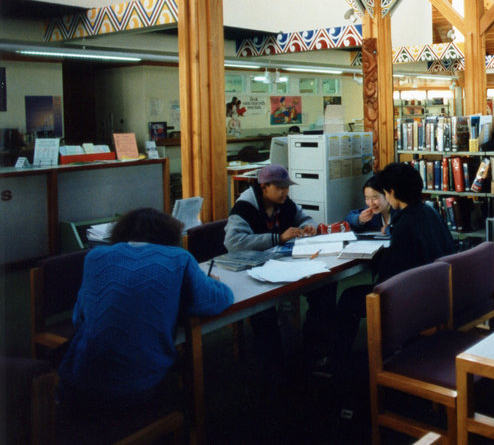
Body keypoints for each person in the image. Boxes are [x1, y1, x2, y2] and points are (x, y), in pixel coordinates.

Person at [58, 208, 233, 412]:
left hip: (76, 381)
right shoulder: (178, 258)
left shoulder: (95, 257)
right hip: (135, 390)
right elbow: (216, 300)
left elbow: (79, 318)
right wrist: (215, 283)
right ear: (170, 233)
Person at [324, 162, 455, 374]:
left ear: (392, 192)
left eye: (384, 192)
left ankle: (338, 363)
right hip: (438, 290)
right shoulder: (429, 212)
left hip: (415, 299)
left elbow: (389, 280)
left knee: (349, 298)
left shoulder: (404, 225)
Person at [225, 163, 336, 367]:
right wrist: (277, 238)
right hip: (252, 271)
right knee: (264, 309)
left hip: (282, 265)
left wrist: (307, 226)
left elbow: (303, 218)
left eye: (287, 187)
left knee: (326, 287)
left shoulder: (284, 202)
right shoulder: (244, 208)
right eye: (280, 187)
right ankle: (275, 366)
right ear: (264, 186)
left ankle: (314, 350)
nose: (286, 192)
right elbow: (233, 243)